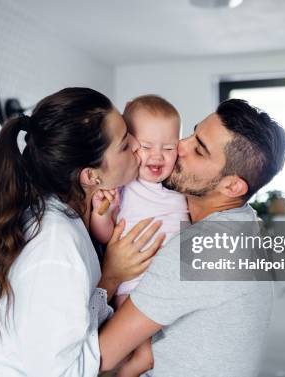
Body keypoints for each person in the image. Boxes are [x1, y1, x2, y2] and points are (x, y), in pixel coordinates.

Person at [0, 87, 166, 376]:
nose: (139, 147)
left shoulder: (69, 216)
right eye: (125, 144)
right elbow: (60, 372)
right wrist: (112, 276)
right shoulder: (55, 246)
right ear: (90, 176)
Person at [99, 98, 285, 377]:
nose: (180, 146)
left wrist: (111, 277)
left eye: (199, 150)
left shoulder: (203, 249)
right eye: (191, 133)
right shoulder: (241, 223)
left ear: (232, 185)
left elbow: (99, 357)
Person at [90, 94, 190, 376]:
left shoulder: (179, 186)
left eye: (169, 148)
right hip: (132, 283)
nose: (157, 156)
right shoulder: (124, 185)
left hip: (170, 285)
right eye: (146, 147)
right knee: (139, 348)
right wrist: (101, 214)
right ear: (130, 145)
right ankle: (137, 363)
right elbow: (106, 235)